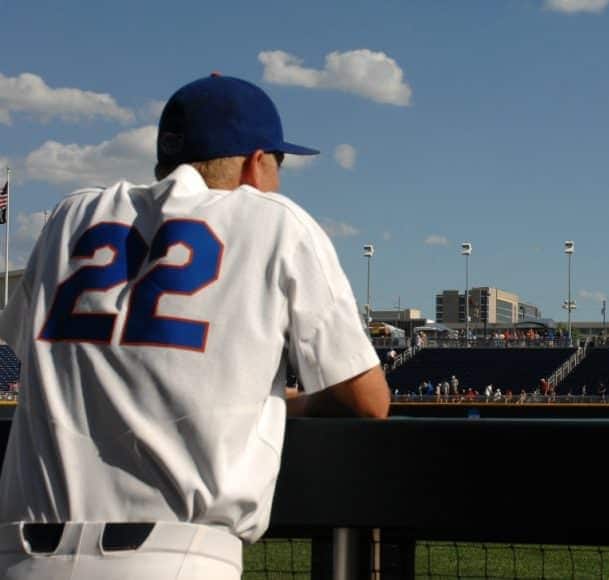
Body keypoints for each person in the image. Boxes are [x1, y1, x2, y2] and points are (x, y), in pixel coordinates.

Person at [0, 74, 391, 579]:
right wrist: (292, 403)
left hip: (23, 556)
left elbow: (31, 352)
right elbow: (368, 401)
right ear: (256, 162)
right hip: (177, 556)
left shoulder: (71, 214)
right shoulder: (275, 220)